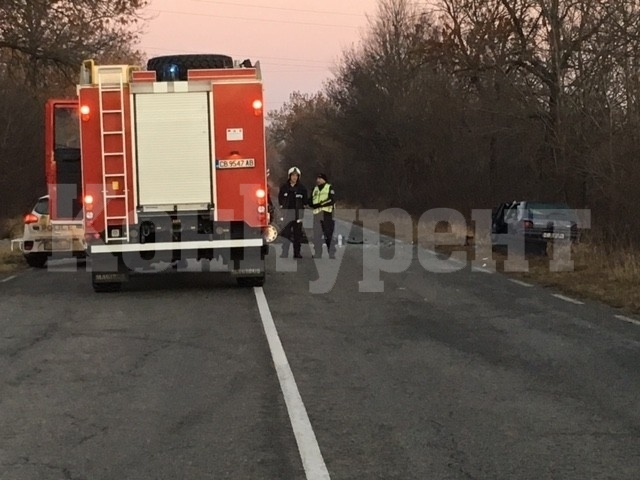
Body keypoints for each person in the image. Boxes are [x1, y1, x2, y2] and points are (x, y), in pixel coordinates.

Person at [278, 166, 308, 258]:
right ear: (289, 176)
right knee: (286, 234)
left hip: (297, 215)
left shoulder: (302, 188)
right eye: (293, 175)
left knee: (297, 235)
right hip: (287, 214)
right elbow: (280, 199)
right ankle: (284, 252)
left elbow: (305, 201)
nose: (294, 177)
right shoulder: (284, 187)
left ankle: (297, 253)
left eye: (296, 175)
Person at [309, 173, 336, 259]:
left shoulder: (329, 187)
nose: (318, 180)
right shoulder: (315, 189)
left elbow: (331, 200)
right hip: (317, 214)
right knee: (317, 235)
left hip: (327, 214)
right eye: (317, 178)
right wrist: (312, 204)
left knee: (328, 235)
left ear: (324, 180)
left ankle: (331, 253)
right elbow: (310, 200)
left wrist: (320, 205)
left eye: (320, 178)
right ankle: (318, 253)